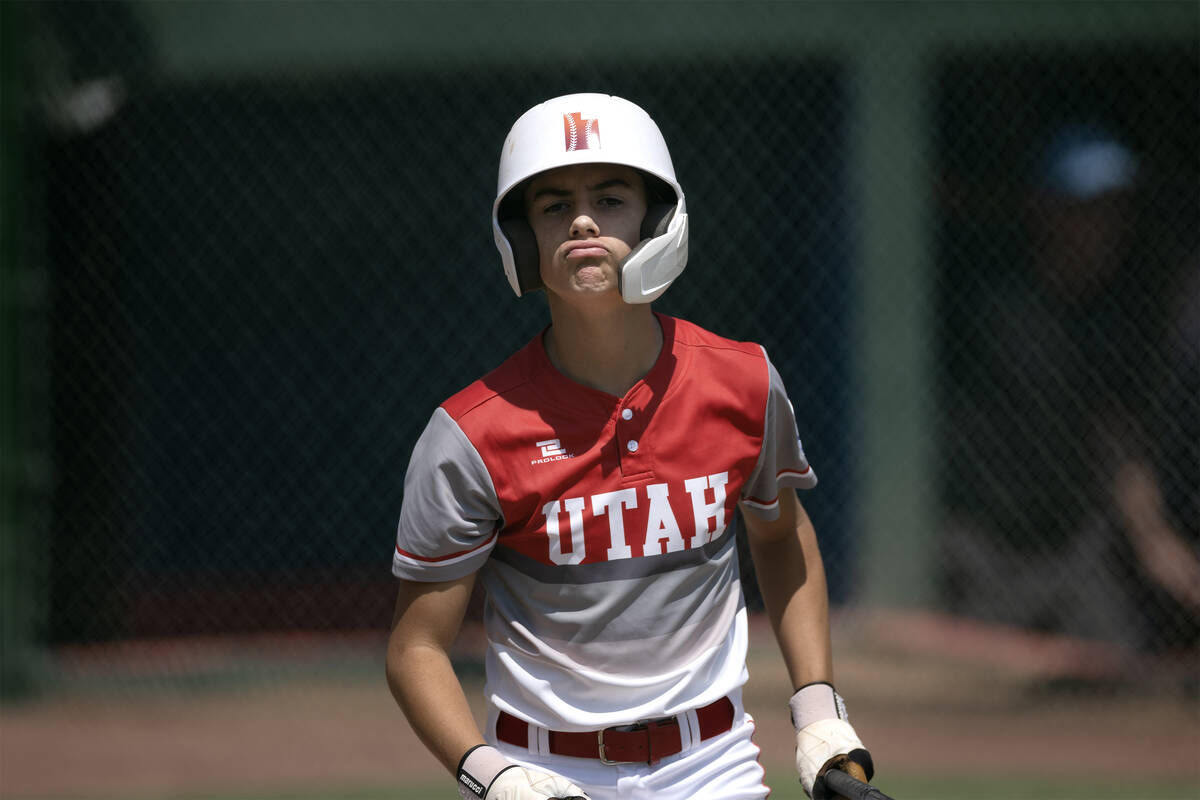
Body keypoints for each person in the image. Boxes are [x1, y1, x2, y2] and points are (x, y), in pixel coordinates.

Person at [385, 94, 874, 800]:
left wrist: (820, 715)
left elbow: (781, 537)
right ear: (522, 242)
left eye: (610, 199)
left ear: (656, 221)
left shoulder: (744, 382)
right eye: (553, 207)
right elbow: (416, 647)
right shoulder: (469, 435)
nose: (582, 220)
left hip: (715, 763)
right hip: (544, 776)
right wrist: (491, 776)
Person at [940, 121, 1198, 657]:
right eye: (1085, 209)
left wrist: (1153, 541)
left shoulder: (1121, 322)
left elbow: (1118, 441)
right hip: (985, 542)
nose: (1102, 227)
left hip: (1077, 547)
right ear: (1045, 212)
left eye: (1113, 210)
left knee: (1116, 672)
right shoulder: (990, 315)